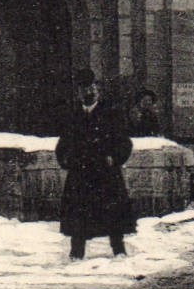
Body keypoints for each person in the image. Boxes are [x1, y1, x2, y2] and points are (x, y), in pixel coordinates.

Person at [56, 69, 136, 260]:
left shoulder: (111, 114)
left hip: (105, 173)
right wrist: (66, 160)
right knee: (78, 217)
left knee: (112, 215)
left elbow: (124, 143)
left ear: (97, 90)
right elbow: (63, 144)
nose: (87, 93)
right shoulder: (73, 116)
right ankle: (76, 254)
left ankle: (119, 252)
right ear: (78, 93)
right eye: (83, 90)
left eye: (91, 88)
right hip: (80, 174)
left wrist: (114, 158)